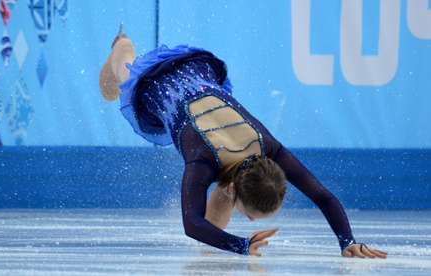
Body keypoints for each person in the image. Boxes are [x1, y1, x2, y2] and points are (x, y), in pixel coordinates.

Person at [99, 25, 388, 258]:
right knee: (125, 74)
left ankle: (209, 252)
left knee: (226, 184)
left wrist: (347, 241)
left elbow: (324, 196)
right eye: (251, 216)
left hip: (199, 74)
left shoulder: (269, 147)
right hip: (154, 86)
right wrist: (240, 245)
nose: (250, 222)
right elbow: (191, 223)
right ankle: (122, 48)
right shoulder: (201, 161)